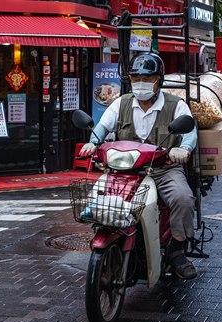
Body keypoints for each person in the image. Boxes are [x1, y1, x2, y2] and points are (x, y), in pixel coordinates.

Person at [79, 52, 199, 280]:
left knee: (183, 199)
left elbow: (190, 132)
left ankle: (176, 249)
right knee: (100, 200)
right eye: (136, 78)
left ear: (159, 80)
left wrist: (184, 149)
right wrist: (93, 142)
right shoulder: (121, 103)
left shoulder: (176, 105)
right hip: (125, 170)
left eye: (148, 78)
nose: (141, 83)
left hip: (163, 169)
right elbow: (103, 126)